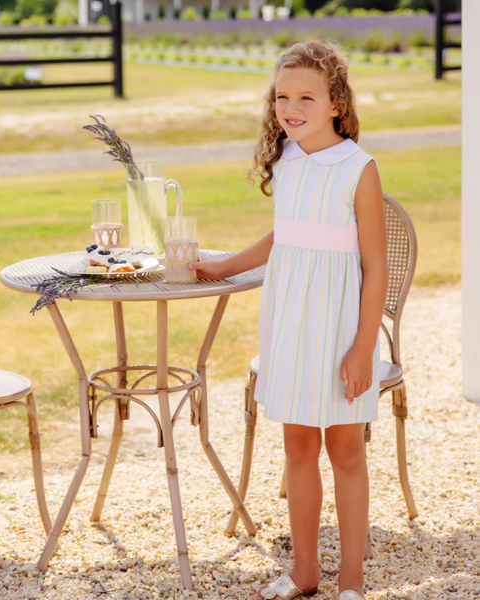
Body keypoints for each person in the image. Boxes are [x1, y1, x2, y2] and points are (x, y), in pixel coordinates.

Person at [187, 40, 388, 600]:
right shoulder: (287, 160)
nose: (290, 108)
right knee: (298, 447)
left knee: (345, 450)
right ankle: (304, 572)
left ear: (336, 104)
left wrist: (363, 347)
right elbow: (287, 234)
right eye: (282, 97)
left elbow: (376, 265)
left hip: (342, 328)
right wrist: (225, 266)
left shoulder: (359, 168)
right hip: (291, 324)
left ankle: (352, 580)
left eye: (306, 97)